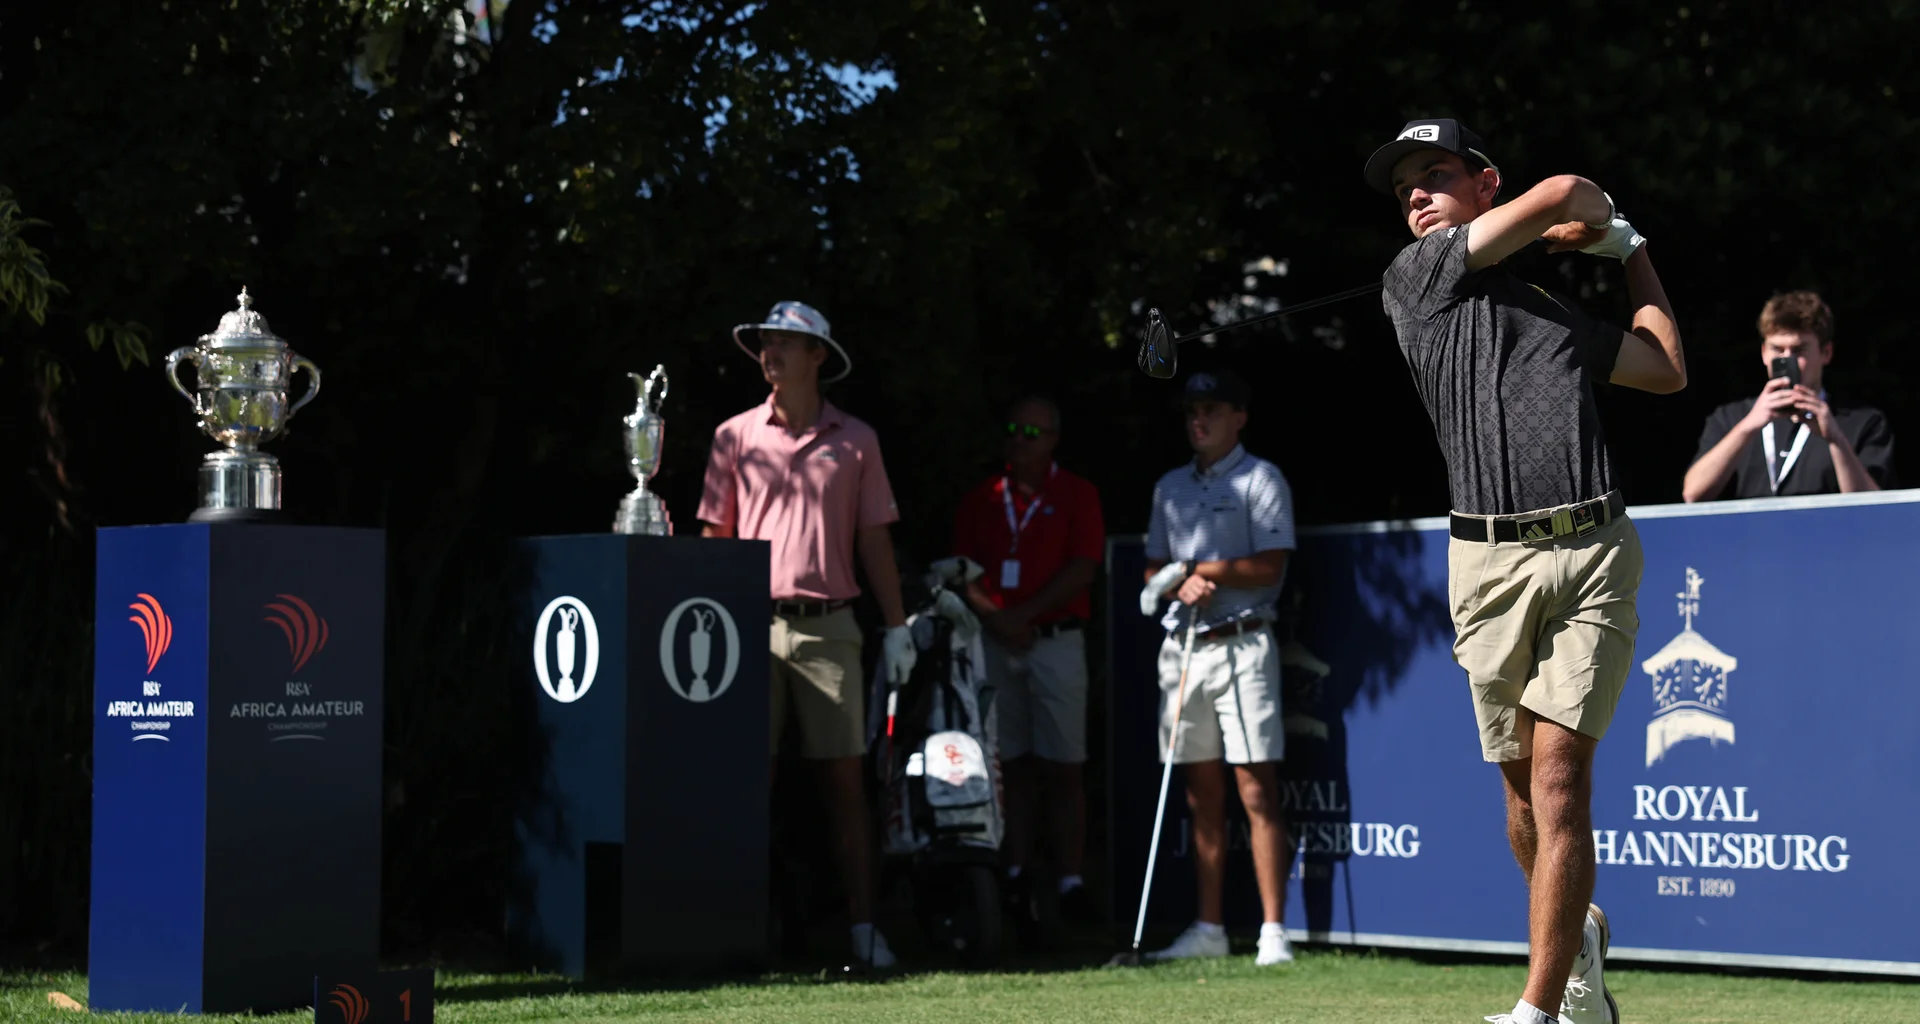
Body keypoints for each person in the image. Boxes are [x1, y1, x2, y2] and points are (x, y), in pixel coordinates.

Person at [1365, 118, 1686, 1024]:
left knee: (1558, 779)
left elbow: (1664, 369)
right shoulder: (1414, 277)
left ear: (1484, 182)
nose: (1417, 197)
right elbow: (1565, 195)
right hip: (1488, 562)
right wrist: (1577, 220)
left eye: (1435, 177)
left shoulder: (1548, 311)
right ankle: (1575, 933)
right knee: (1520, 796)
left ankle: (1539, 1009)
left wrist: (1632, 249)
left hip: (1593, 551)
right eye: (1404, 191)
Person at [698, 300, 918, 968]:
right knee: (745, 783)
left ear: (818, 356)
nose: (770, 354)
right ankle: (739, 931)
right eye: (765, 343)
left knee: (845, 786)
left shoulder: (856, 439)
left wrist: (898, 624)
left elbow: (873, 537)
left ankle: (862, 931)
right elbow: (716, 539)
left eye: (785, 344)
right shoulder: (733, 436)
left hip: (831, 629)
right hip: (749, 631)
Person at [1137, 369, 1297, 967]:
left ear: (1239, 418)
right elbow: (1154, 569)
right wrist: (1179, 584)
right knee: (1201, 793)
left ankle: (1273, 932)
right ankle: (1208, 928)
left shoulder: (1262, 479)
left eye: (1210, 410)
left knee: (1256, 786)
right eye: (1190, 412)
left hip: (1243, 643)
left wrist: (1201, 571)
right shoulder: (1169, 488)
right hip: (1185, 649)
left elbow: (1270, 566)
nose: (1197, 421)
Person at [950, 396, 1106, 933]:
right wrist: (998, 620)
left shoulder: (1077, 494)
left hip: (1055, 640)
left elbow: (1084, 568)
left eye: (1032, 432)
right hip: (997, 642)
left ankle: (1070, 881)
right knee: (1009, 764)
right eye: (1013, 429)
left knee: (1063, 766)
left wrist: (1022, 617)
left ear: (1054, 438)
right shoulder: (983, 499)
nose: (1020, 439)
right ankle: (1012, 872)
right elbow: (963, 572)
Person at [1682, 290, 1894, 501]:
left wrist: (1836, 440)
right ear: (1764, 353)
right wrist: (1748, 426)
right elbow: (1693, 493)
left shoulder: (1862, 422)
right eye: (1777, 350)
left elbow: (1871, 507)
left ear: (1826, 353)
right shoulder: (1731, 418)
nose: (1787, 360)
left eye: (1799, 350)